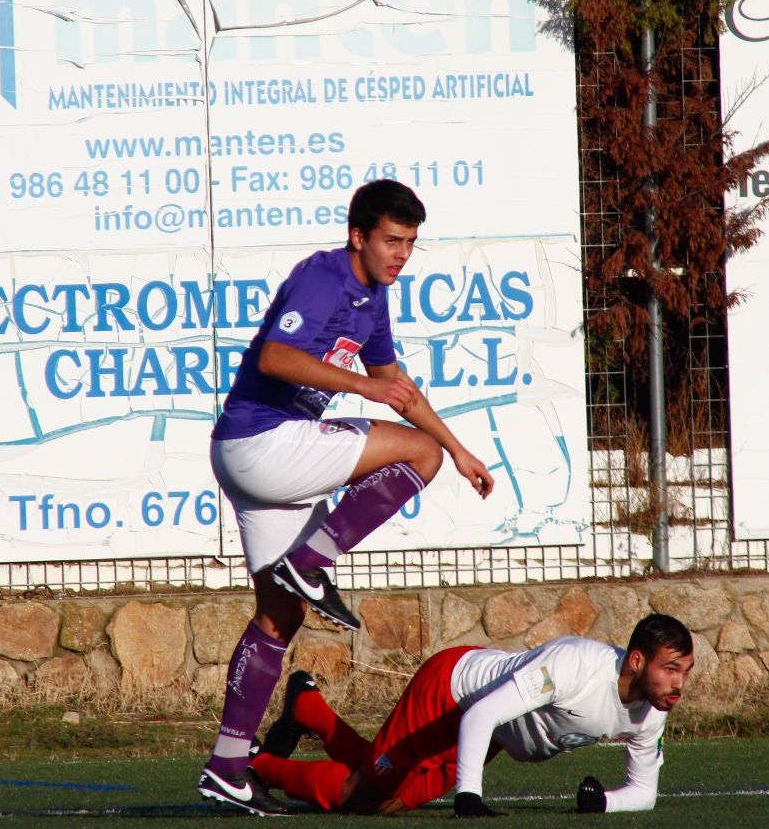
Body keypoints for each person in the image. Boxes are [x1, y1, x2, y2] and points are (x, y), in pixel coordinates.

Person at [197, 179, 497, 815]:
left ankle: (228, 765)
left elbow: (398, 385)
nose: (401, 255)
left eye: (411, 243)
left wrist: (460, 448)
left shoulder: (374, 296)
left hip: (253, 456)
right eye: (391, 240)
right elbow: (275, 356)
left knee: (279, 618)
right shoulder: (326, 277)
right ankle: (311, 565)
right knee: (417, 455)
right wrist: (361, 389)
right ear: (358, 235)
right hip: (263, 441)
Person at [248, 613, 695, 816]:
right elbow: (481, 714)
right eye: (670, 670)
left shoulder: (652, 712)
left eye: (685, 672)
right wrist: (469, 798)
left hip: (490, 735)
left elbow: (644, 793)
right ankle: (255, 768)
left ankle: (307, 708)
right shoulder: (575, 665)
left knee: (389, 799)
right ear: (637, 661)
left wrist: (604, 803)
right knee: (358, 796)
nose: (679, 684)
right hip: (450, 692)